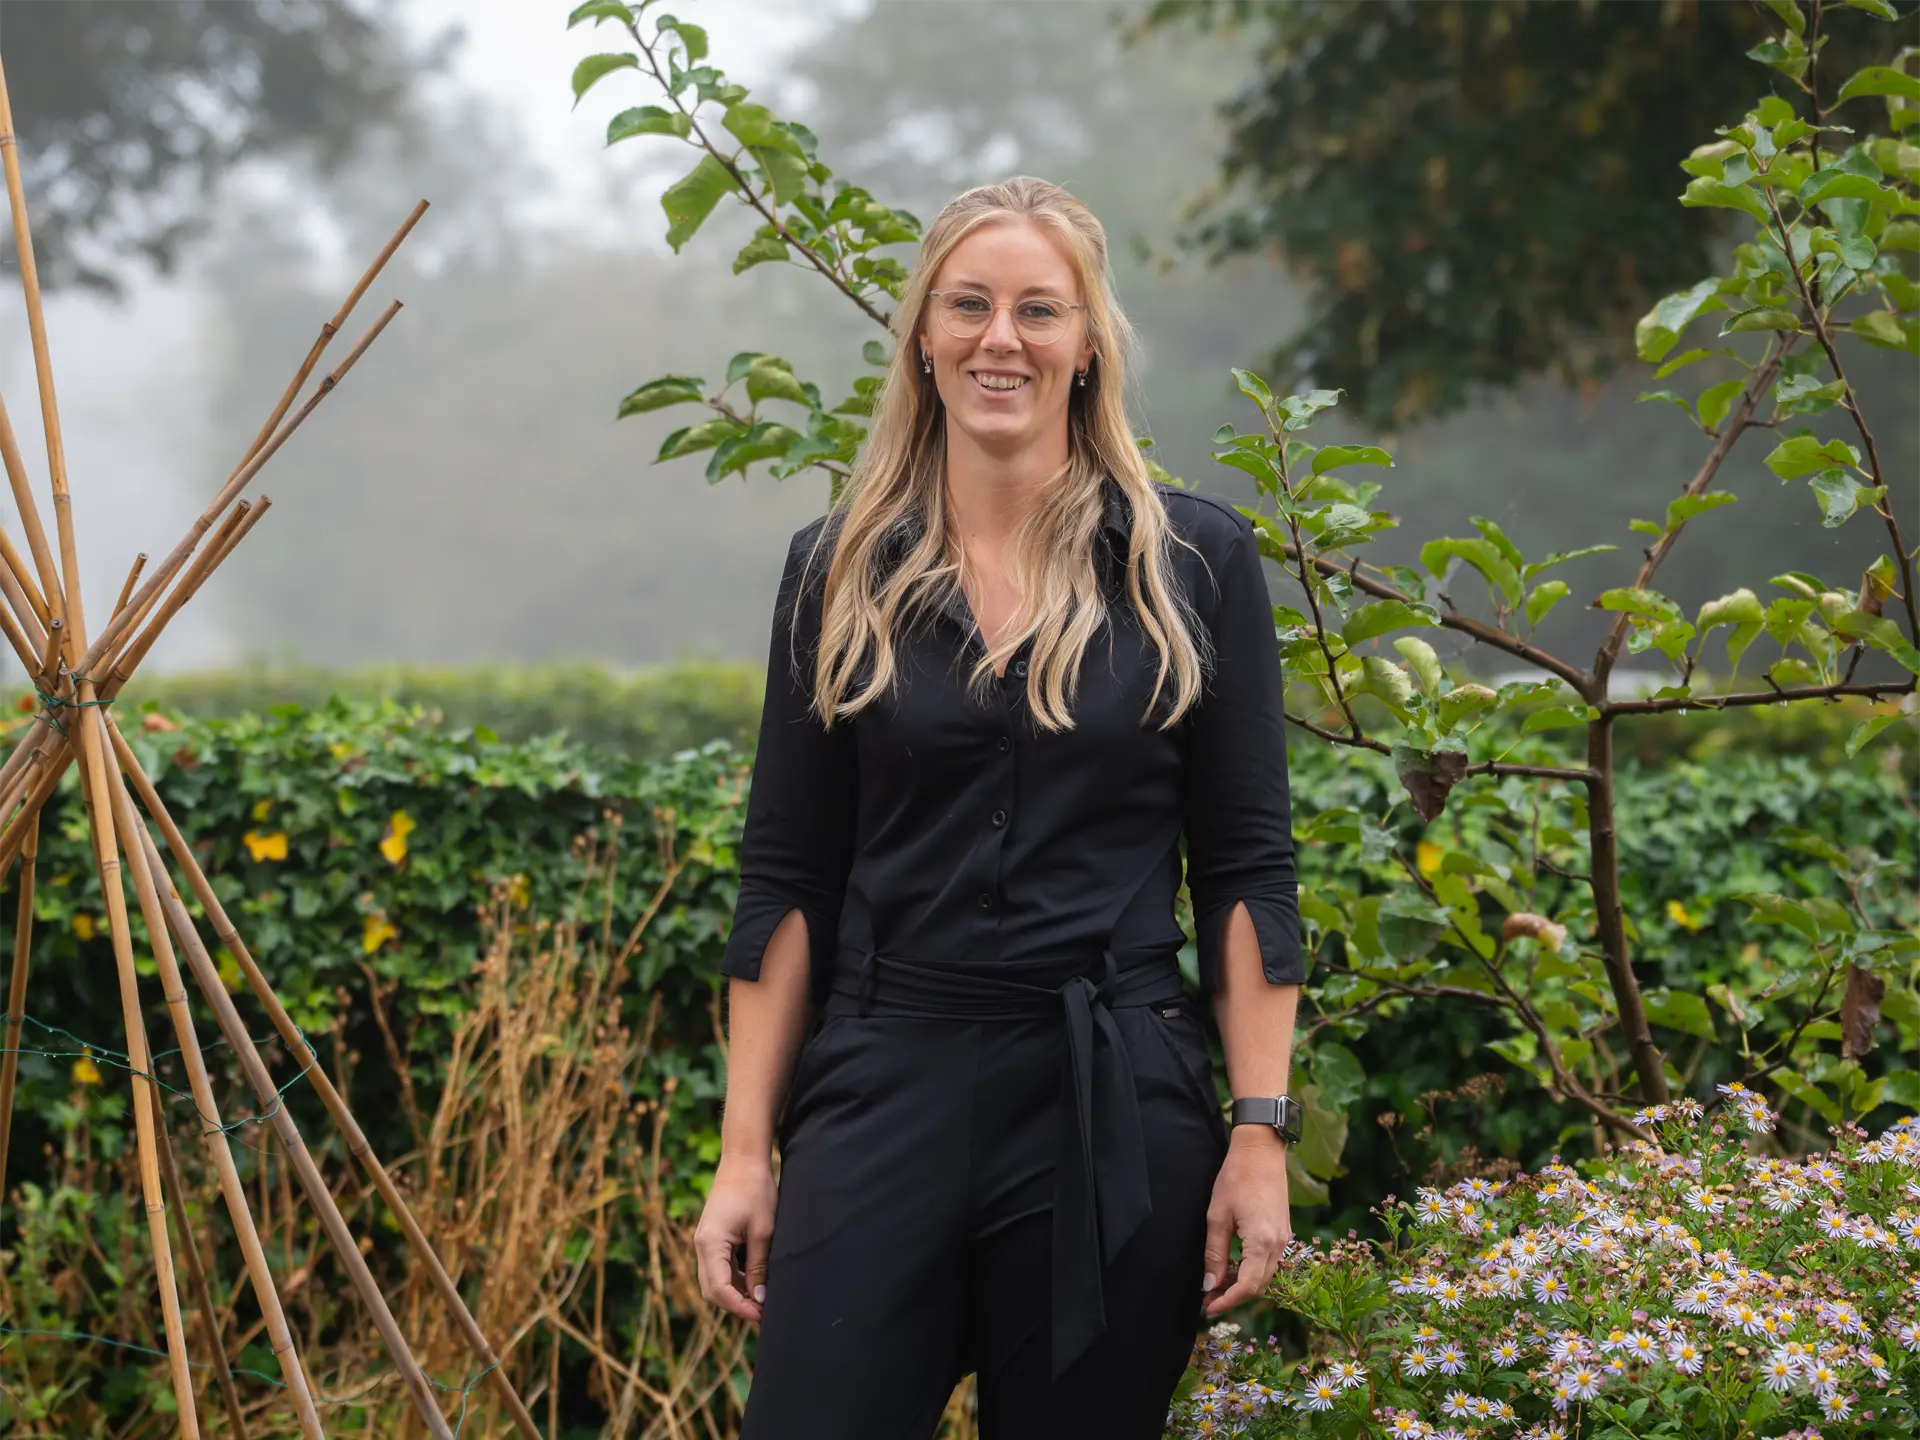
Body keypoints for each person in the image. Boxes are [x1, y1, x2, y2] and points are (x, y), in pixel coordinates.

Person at [694, 175, 1303, 1440]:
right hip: (882, 1083)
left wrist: (1259, 1135)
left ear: (1088, 344)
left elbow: (1247, 870)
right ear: (923, 334)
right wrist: (746, 1152)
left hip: (1111, 1098)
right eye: (968, 305)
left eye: (1039, 309)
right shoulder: (837, 569)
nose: (1000, 339)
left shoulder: (1191, 566)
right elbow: (787, 880)